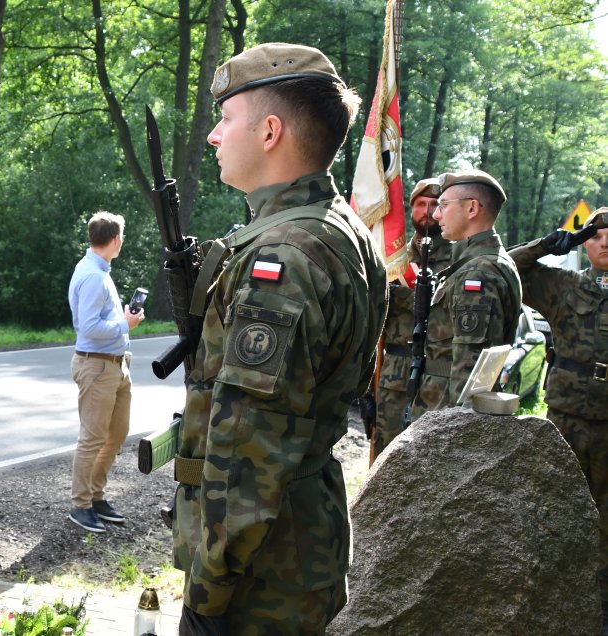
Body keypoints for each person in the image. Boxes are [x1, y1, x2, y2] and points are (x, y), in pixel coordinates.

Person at [174, 44, 386, 634]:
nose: (215, 136)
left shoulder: (284, 257)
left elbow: (250, 449)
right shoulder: (340, 228)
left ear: (270, 131)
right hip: (295, 548)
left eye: (226, 120)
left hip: (259, 577)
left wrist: (209, 588)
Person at [509, 207, 608, 628]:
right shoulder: (562, 286)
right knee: (556, 512)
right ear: (584, 242)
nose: (606, 241)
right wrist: (544, 246)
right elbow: (498, 268)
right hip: (566, 421)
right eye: (597, 234)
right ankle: (553, 602)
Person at [411, 169, 521, 420]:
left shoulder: (478, 273)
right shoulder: (485, 262)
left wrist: (457, 435)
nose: (436, 214)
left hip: (446, 416)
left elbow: (470, 376)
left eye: (443, 205)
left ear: (472, 209)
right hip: (440, 407)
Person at [67, 211, 143, 535]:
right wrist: (124, 324)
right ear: (115, 240)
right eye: (122, 237)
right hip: (97, 366)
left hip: (115, 364)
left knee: (116, 435)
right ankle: (80, 505)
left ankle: (96, 496)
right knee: (92, 439)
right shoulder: (94, 276)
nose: (122, 242)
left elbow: (98, 320)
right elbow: (88, 327)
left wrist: (122, 320)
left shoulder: (99, 270)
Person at [371, 178, 451, 459]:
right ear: (411, 209)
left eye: (435, 204)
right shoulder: (393, 258)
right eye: (420, 204)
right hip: (392, 373)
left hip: (435, 377)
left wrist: (407, 293)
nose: (428, 211)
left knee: (426, 457)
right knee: (385, 455)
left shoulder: (457, 258)